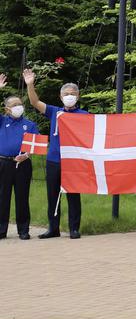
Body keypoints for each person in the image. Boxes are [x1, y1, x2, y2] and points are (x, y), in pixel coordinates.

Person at [24, 68, 88, 239]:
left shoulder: (85, 115)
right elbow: (35, 102)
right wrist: (30, 85)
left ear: (78, 96)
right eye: (66, 93)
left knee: (73, 195)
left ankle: (74, 228)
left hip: (74, 162)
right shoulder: (54, 111)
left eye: (72, 93)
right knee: (53, 195)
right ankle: (53, 228)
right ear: (61, 97)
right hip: (54, 160)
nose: (69, 96)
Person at [0, 74, 38, 240]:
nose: (18, 107)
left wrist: (27, 155)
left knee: (22, 197)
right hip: (4, 163)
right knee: (2, 197)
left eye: (20, 104)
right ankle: (1, 230)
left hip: (23, 164)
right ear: (7, 109)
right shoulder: (2, 121)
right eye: (14, 105)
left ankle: (23, 230)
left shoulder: (29, 124)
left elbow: (35, 145)